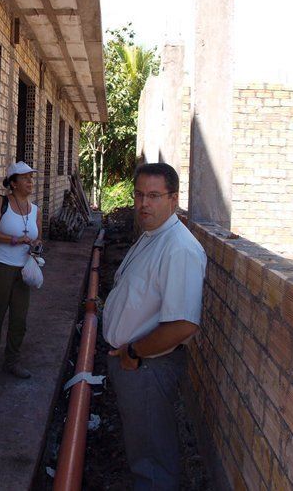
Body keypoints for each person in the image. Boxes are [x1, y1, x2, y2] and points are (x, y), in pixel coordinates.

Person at [103, 163, 206, 490]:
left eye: (154, 196)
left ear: (173, 199)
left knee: (152, 461)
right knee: (142, 450)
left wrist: (133, 352)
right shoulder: (153, 236)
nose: (143, 203)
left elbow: (183, 325)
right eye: (139, 195)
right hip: (136, 363)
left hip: (148, 367)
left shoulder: (179, 248)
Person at [0, 161, 42, 378]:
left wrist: (37, 246)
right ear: (13, 183)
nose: (30, 182)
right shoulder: (1, 202)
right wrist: (13, 239)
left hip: (22, 269)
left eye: (31, 178)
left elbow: (38, 237)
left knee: (19, 318)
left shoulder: (35, 210)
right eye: (25, 178)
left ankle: (12, 360)